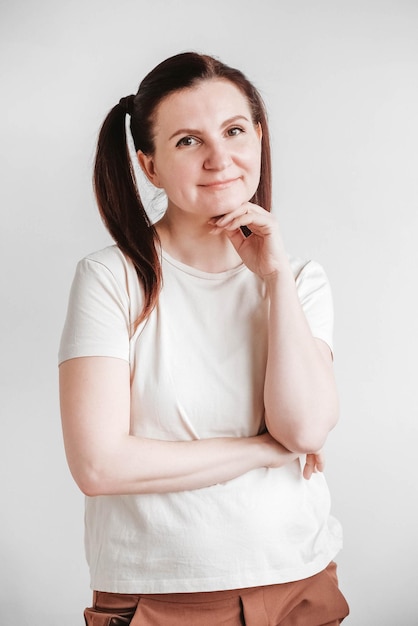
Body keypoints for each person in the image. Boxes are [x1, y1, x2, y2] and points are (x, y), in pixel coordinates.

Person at [59, 51, 349, 625]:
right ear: (150, 165)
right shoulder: (110, 279)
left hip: (301, 580)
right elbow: (98, 466)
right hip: (163, 596)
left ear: (258, 138)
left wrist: (274, 280)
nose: (221, 158)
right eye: (188, 141)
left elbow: (307, 428)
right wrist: (264, 450)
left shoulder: (300, 279)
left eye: (235, 131)